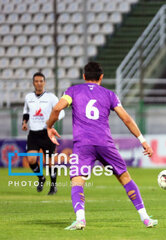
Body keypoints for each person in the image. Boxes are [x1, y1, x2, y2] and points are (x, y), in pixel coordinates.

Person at [46, 62, 157, 230]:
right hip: (105, 143)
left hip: (83, 145)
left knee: (77, 181)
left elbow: (57, 109)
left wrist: (49, 126)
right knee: (125, 178)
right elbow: (126, 118)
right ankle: (146, 218)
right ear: (101, 77)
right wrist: (142, 140)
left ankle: (80, 219)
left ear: (84, 76)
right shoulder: (109, 95)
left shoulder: (73, 91)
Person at [22, 72, 65, 195]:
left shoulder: (51, 97)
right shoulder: (28, 97)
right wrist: (24, 122)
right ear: (33, 83)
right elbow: (26, 111)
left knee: (50, 163)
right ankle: (41, 178)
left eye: (41, 81)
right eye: (36, 81)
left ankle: (53, 187)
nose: (39, 83)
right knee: (31, 160)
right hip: (33, 134)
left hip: (47, 133)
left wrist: (52, 120)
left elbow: (61, 112)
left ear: (44, 82)